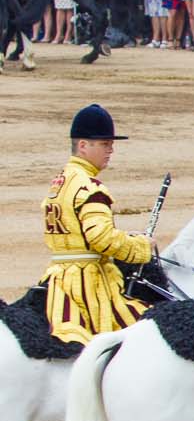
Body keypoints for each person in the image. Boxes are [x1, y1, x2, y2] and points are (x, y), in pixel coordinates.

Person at [42, 105, 154, 346]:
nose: (111, 150)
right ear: (83, 145)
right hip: (88, 283)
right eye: (104, 144)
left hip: (58, 279)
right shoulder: (89, 188)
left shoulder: (60, 182)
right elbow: (101, 239)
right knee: (148, 330)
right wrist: (141, 246)